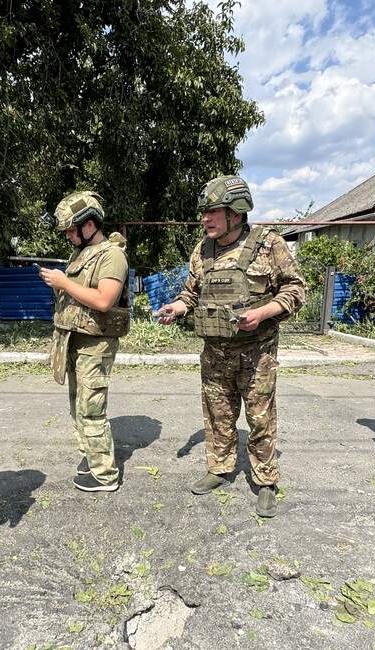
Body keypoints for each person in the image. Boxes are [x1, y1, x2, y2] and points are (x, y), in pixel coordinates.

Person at [158, 175, 305, 517]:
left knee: (260, 418)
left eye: (213, 212)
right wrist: (176, 308)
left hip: (257, 353)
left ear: (236, 214)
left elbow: (296, 290)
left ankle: (266, 481)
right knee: (217, 415)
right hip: (215, 354)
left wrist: (263, 312)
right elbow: (191, 294)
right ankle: (220, 469)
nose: (205, 219)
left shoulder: (269, 244)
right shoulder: (202, 249)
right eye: (204, 212)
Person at [40, 191, 129, 492]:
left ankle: (105, 475)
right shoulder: (80, 254)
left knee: (91, 409)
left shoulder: (112, 256)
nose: (67, 236)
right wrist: (60, 287)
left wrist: (63, 282)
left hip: (96, 345)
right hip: (75, 341)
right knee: (77, 406)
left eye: (70, 229)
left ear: (89, 225)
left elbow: (104, 300)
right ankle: (90, 457)